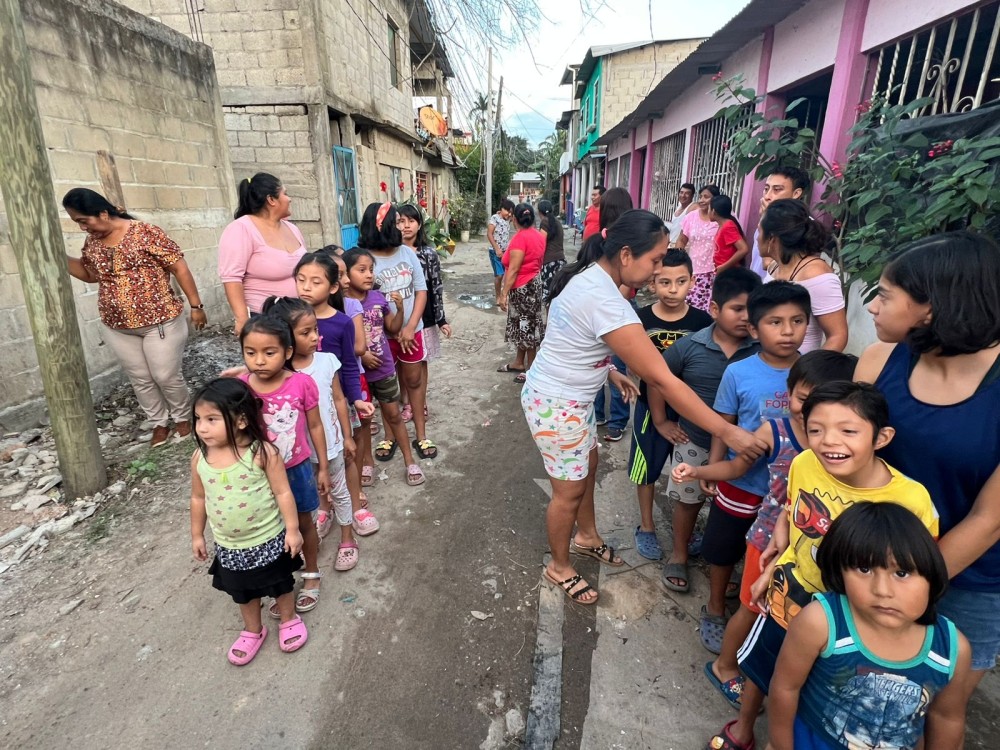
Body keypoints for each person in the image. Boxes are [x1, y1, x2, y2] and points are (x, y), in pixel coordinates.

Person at [521, 209, 767, 605]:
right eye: (655, 260)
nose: (657, 271)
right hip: (557, 403)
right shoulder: (607, 301)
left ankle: (587, 536)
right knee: (568, 492)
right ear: (625, 254)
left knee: (589, 466)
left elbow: (569, 341)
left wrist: (607, 371)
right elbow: (663, 380)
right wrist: (726, 430)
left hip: (568, 397)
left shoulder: (592, 278)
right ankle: (560, 566)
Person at [706, 381, 938, 750]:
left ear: (881, 437)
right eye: (816, 429)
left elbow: (915, 570)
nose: (829, 441)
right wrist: (773, 566)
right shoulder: (804, 463)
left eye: (848, 431)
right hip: (791, 593)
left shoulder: (911, 500)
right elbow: (792, 513)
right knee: (763, 667)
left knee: (817, 688)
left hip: (853, 618)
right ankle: (744, 727)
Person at [855, 231, 1000, 705]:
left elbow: (989, 519)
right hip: (866, 558)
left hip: (969, 580)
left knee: (935, 707)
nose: (872, 306)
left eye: (885, 295)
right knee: (857, 693)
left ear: (931, 309)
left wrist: (905, 586)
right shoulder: (878, 362)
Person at [671, 350, 857, 708]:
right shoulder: (776, 431)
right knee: (752, 607)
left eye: (825, 401)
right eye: (804, 398)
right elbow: (736, 467)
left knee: (787, 616)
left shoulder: (842, 447)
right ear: (789, 394)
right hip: (768, 540)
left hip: (811, 551)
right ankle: (725, 665)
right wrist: (698, 471)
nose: (811, 410)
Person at [767, 502, 971, 750]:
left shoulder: (951, 650)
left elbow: (946, 718)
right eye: (864, 569)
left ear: (931, 573)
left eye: (902, 573)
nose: (882, 590)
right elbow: (785, 688)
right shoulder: (821, 623)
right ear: (839, 572)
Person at [697, 282, 810, 655]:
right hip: (742, 482)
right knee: (723, 546)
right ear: (754, 328)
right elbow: (724, 423)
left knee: (772, 553)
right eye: (776, 322)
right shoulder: (739, 372)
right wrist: (714, 464)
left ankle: (755, 605)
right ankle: (715, 606)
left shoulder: (814, 372)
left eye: (797, 321)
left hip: (791, 495)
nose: (788, 331)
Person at [62, 188, 207, 448]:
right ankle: (159, 423)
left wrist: (196, 305)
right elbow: (90, 274)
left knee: (165, 375)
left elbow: (179, 267)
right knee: (140, 377)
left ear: (103, 213)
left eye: (84, 220)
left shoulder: (145, 232)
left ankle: (183, 417)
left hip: (160, 321)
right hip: (117, 326)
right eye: (78, 223)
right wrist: (59, 257)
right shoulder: (93, 242)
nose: (83, 227)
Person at [658, 268, 763, 595]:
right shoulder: (690, 347)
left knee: (729, 508)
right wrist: (661, 421)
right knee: (688, 501)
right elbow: (658, 379)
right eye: (738, 309)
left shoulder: (761, 351)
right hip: (694, 440)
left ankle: (722, 561)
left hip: (742, 450)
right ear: (715, 309)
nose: (746, 317)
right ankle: (679, 553)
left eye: (752, 310)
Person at [189, 378, 307, 664]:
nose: (202, 427)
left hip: (269, 537)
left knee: (280, 583)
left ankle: (289, 618)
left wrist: (293, 530)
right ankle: (253, 630)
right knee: (242, 591)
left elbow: (283, 492)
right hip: (229, 545)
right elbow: (198, 498)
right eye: (198, 419)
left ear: (241, 420)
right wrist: (197, 535)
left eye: (211, 419)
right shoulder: (200, 458)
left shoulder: (262, 453)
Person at [260, 296, 362, 571]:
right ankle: (318, 526)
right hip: (296, 454)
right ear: (285, 338)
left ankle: (347, 537)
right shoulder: (278, 374)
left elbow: (339, 400)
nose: (315, 337)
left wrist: (348, 436)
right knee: (310, 495)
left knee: (339, 490)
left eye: (315, 329)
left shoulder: (328, 361)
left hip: (330, 444)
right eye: (306, 332)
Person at [237, 315, 328, 617]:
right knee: (273, 529)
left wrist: (323, 467)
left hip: (297, 469)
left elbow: (315, 427)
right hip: (259, 476)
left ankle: (312, 573)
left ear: (287, 351)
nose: (259, 360)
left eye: (269, 352)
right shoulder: (241, 388)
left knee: (303, 523)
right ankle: (282, 584)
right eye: (250, 352)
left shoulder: (302, 383)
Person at [628, 251, 712, 561]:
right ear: (653, 283)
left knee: (690, 469)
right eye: (665, 282)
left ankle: (684, 530)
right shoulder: (640, 319)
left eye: (680, 281)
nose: (673, 290)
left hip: (690, 409)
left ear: (692, 281)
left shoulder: (703, 322)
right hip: (649, 409)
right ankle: (646, 526)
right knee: (646, 469)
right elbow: (632, 363)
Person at [294, 252, 379, 537]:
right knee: (313, 458)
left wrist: (357, 399)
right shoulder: (286, 321)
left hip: (336, 403)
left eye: (315, 282)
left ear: (332, 287)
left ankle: (355, 506)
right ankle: (324, 508)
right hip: (302, 407)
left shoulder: (341, 322)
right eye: (301, 280)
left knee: (347, 454)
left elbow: (350, 367)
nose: (306, 287)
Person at [359, 203, 436, 466]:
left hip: (411, 332)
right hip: (380, 338)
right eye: (396, 222)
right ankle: (389, 435)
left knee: (414, 381)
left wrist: (410, 326)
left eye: (404, 222)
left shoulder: (406, 253)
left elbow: (421, 290)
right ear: (380, 227)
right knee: (386, 387)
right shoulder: (365, 259)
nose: (402, 227)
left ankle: (421, 434)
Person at [342, 248, 425, 486]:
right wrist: (363, 354)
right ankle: (368, 463)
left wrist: (400, 309)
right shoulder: (341, 305)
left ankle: (409, 461)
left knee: (394, 415)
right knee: (365, 422)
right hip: (359, 374)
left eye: (371, 269)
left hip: (384, 369)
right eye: (362, 270)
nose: (369, 275)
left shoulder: (378, 298)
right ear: (346, 274)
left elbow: (392, 328)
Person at [218, 173, 307, 335]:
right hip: (263, 319)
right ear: (271, 200)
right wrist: (242, 319)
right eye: (285, 193)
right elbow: (231, 278)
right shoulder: (241, 229)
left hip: (297, 315)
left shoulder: (292, 228)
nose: (289, 199)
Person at [760, 199, 847, 352]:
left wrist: (809, 366)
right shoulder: (775, 266)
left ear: (772, 239)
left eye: (760, 231)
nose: (757, 237)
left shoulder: (815, 274)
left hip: (800, 364)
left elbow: (837, 336)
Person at [396, 204, 452, 424]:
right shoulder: (392, 253)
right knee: (401, 362)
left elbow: (436, 287)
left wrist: (441, 319)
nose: (406, 226)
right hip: (398, 318)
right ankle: (406, 401)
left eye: (411, 221)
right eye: (401, 221)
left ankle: (420, 403)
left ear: (419, 225)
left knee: (420, 361)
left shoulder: (428, 254)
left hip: (424, 318)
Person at [591, 186, 635, 440]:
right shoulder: (602, 239)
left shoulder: (627, 241)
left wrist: (613, 300)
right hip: (609, 307)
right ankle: (608, 417)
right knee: (605, 364)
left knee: (611, 365)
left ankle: (611, 417)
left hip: (615, 307)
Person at [498, 204, 546, 383]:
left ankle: (531, 369)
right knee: (525, 325)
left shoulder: (520, 238)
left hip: (523, 287)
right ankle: (519, 362)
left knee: (527, 328)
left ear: (515, 219)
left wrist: (503, 294)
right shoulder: (539, 236)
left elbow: (514, 269)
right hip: (534, 283)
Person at [748, 166, 811, 280]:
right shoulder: (765, 219)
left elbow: (768, 264)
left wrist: (766, 221)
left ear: (796, 193)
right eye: (766, 189)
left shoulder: (803, 226)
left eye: (777, 190)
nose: (767, 196)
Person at [677, 184, 721, 311]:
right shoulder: (691, 217)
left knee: (711, 310)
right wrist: (679, 262)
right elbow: (681, 240)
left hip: (716, 272)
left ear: (715, 199)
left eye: (706, 197)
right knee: (691, 308)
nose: (701, 200)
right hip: (695, 272)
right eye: (700, 196)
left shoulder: (722, 217)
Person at [708, 195, 749, 272]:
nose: (708, 212)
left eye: (709, 209)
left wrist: (723, 267)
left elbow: (743, 249)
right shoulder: (723, 225)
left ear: (713, 211)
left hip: (730, 272)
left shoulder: (728, 226)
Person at [536, 199, 566, 305]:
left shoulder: (545, 222)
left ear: (539, 211)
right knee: (557, 294)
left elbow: (541, 243)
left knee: (548, 296)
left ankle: (549, 316)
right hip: (560, 261)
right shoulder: (557, 222)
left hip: (549, 263)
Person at [487, 199, 515, 302]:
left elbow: (515, 217)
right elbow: (489, 234)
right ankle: (498, 296)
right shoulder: (495, 218)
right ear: (502, 209)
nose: (509, 214)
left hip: (506, 252)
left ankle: (505, 295)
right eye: (508, 211)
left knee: (507, 274)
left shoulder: (508, 219)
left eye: (511, 212)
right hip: (495, 252)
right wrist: (496, 249)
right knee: (499, 275)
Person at [667, 182, 697, 247]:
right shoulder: (678, 207)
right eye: (681, 192)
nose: (683, 195)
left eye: (687, 193)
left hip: (681, 246)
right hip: (671, 245)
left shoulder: (693, 208)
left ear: (692, 196)